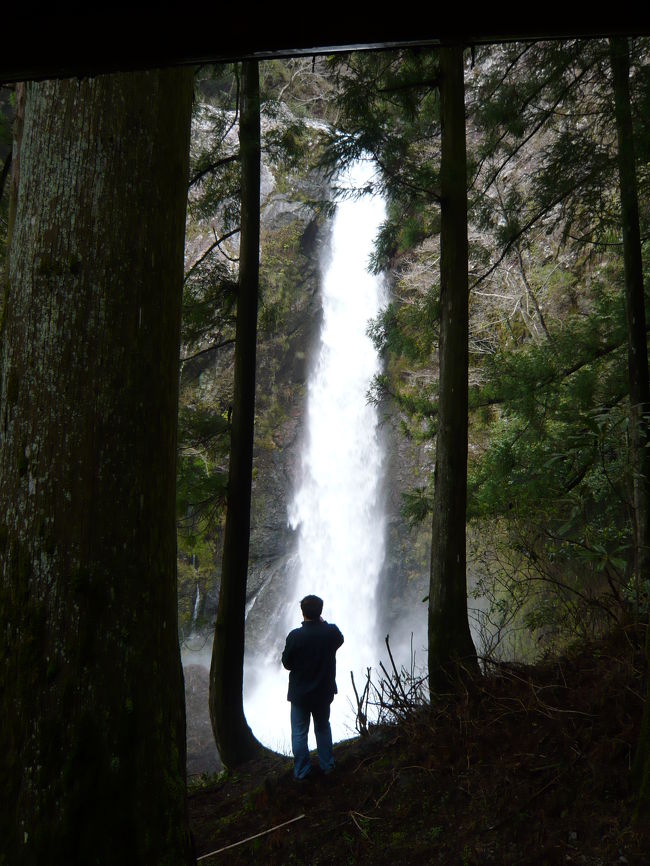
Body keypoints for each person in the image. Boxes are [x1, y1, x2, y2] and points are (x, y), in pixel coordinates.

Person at [281, 594, 344, 780]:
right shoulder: (330, 632)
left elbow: (286, 663)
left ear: (303, 612)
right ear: (321, 612)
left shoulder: (295, 636)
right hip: (324, 692)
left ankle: (302, 771)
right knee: (323, 727)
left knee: (300, 732)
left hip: (300, 694)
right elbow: (340, 640)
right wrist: (322, 623)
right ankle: (328, 766)